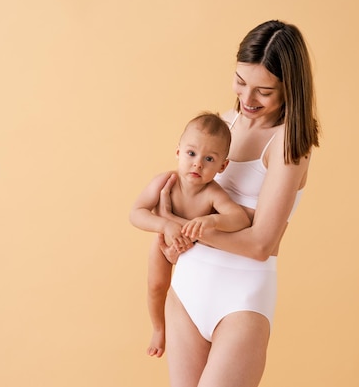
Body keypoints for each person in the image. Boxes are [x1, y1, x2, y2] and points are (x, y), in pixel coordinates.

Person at [153, 20, 320, 387]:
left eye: (264, 91)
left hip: (241, 298)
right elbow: (183, 199)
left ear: (290, 88)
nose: (247, 99)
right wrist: (178, 224)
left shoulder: (287, 143)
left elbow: (261, 245)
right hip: (187, 288)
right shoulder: (221, 127)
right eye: (241, 82)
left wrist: (183, 227)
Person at [129, 112, 251, 358]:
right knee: (156, 286)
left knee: (185, 295)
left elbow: (240, 219)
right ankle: (158, 328)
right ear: (178, 152)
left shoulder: (213, 193)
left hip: (195, 254)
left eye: (209, 159)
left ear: (222, 166)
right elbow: (136, 213)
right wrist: (164, 226)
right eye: (191, 154)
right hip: (164, 244)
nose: (198, 164)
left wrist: (212, 220)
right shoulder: (166, 182)